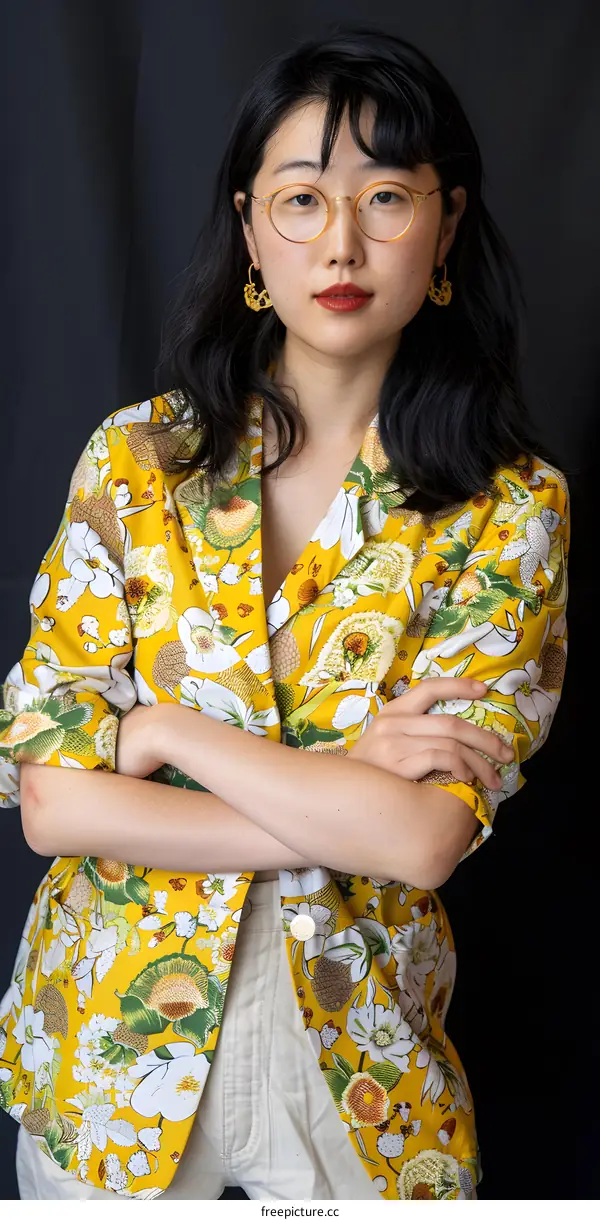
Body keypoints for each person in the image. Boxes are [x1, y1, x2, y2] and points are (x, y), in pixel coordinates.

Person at [0, 24, 569, 1202]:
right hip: (107, 1066)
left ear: (446, 226)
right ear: (251, 231)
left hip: (360, 1083)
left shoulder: (510, 509)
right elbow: (54, 802)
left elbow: (421, 840)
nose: (342, 242)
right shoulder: (136, 461)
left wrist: (163, 732)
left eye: (387, 197)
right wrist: (345, 789)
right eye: (301, 199)